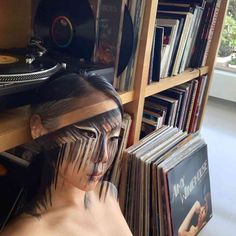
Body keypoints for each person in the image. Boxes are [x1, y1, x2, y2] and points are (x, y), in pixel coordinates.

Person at [0, 73, 133, 236]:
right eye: (88, 135)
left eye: (113, 137)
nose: (103, 156)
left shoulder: (108, 193)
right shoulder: (27, 232)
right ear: (39, 129)